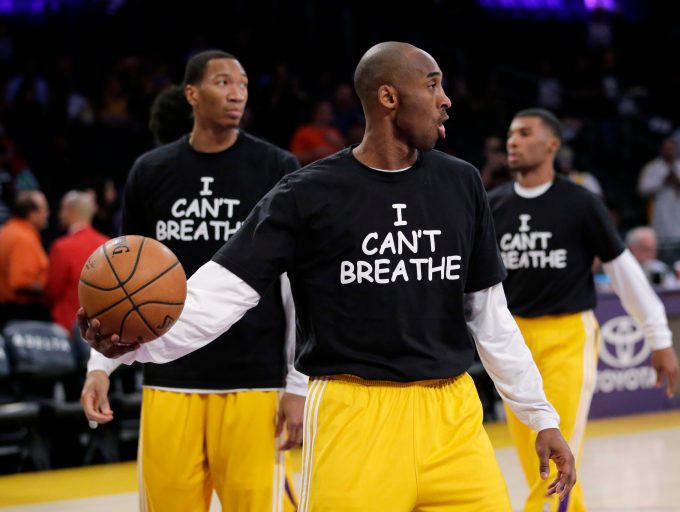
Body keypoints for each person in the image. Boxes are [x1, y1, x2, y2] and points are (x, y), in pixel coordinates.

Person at [81, 41, 576, 511]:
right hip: (351, 415)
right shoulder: (305, 194)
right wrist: (128, 348)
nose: (446, 100)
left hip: (454, 415)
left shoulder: (462, 182)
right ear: (388, 97)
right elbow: (219, 295)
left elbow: (490, 317)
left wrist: (540, 416)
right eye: (432, 85)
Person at [79, 50, 306, 512]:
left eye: (242, 83)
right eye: (223, 82)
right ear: (191, 94)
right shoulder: (150, 172)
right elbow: (119, 280)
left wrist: (297, 384)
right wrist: (99, 367)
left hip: (254, 382)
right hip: (168, 380)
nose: (237, 93)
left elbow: (295, 284)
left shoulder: (277, 169)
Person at [488, 108, 680, 512]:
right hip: (510, 343)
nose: (513, 141)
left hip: (567, 337)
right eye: (510, 134)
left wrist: (658, 338)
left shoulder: (580, 203)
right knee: (534, 464)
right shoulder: (493, 205)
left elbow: (625, 273)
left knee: (556, 455)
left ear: (552, 145)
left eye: (524, 133)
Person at [45, 190, 108, 329]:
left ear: (70, 210)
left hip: (67, 328)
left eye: (61, 209)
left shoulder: (62, 247)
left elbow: (51, 292)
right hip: (100, 329)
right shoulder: (107, 245)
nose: (59, 214)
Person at [0, 189, 50, 327]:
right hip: (19, 315)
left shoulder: (7, 230)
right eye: (44, 210)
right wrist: (49, 287)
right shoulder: (23, 238)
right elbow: (21, 282)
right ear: (32, 214)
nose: (47, 214)